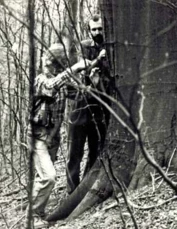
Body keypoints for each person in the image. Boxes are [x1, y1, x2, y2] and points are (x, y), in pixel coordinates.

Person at [27, 43, 105, 226]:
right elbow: (50, 86)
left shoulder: (62, 82)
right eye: (47, 62)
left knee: (42, 177)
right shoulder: (40, 80)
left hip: (52, 139)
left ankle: (35, 211)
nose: (47, 65)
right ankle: (32, 216)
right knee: (48, 177)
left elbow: (80, 95)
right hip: (37, 137)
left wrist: (91, 83)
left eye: (51, 63)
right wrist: (75, 67)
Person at [66, 14, 111, 194]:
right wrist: (99, 59)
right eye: (94, 29)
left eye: (100, 29)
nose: (97, 32)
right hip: (80, 106)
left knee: (95, 150)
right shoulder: (85, 47)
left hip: (99, 108)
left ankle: (86, 186)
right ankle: (72, 191)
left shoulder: (110, 47)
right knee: (74, 153)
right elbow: (83, 70)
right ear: (89, 30)